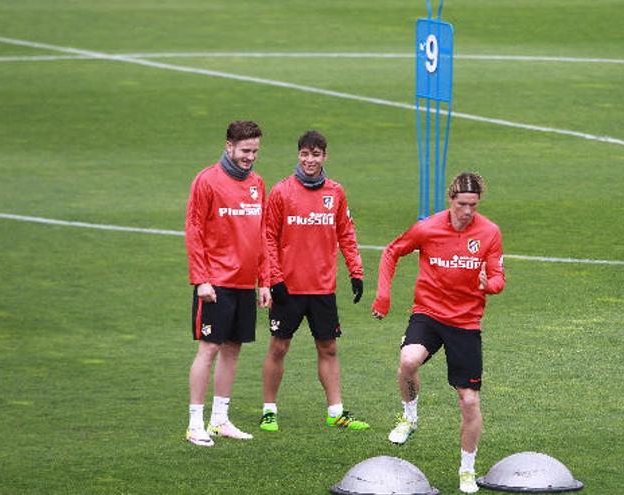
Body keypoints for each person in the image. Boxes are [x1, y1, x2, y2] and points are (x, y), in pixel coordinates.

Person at [372, 172, 505, 494]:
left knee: (469, 401)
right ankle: (409, 417)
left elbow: (498, 276)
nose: (468, 211)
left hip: (466, 322)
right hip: (428, 314)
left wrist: (492, 285)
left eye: (473, 205)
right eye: (462, 204)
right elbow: (391, 252)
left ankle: (467, 470)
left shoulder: (489, 232)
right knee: (408, 360)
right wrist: (384, 296)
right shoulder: (428, 228)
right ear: (451, 200)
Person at [260, 130, 369, 432]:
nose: (310, 160)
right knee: (279, 347)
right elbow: (267, 237)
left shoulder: (335, 192)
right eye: (305, 154)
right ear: (298, 155)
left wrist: (356, 271)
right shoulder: (281, 192)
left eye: (316, 154)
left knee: (329, 348)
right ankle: (269, 410)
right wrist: (274, 278)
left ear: (325, 156)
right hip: (289, 288)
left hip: (322, 288)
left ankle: (335, 411)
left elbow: (346, 233)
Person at [184, 120, 272, 447]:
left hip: (245, 283)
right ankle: (195, 424)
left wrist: (264, 280)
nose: (250, 157)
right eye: (246, 150)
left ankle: (220, 419)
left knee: (233, 349)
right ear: (229, 146)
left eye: (255, 151)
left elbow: (260, 234)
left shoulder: (257, 184)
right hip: (215, 283)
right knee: (208, 349)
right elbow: (194, 231)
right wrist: (201, 280)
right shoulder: (207, 181)